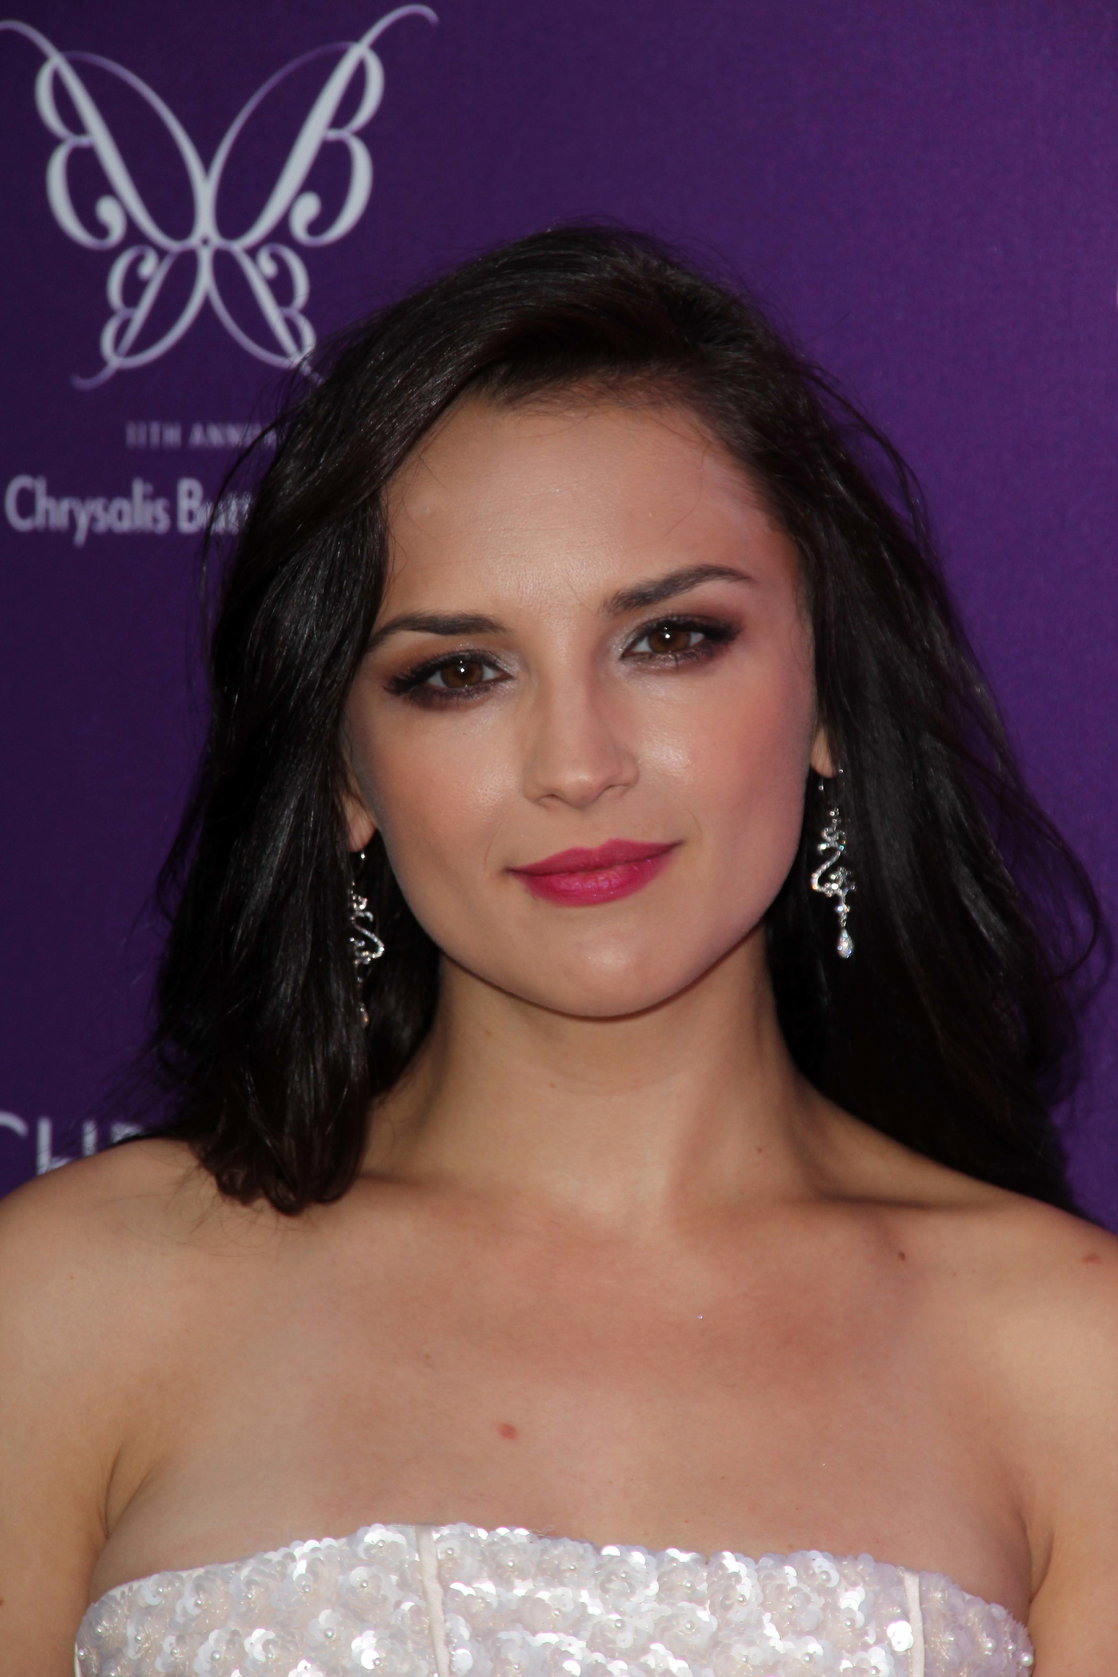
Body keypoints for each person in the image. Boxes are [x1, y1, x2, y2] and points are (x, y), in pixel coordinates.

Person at [1, 226, 1115, 1676]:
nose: (577, 764)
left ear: (830, 692)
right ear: (345, 776)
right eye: (458, 672)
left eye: (670, 639)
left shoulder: (1070, 1359)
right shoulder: (65, 1304)